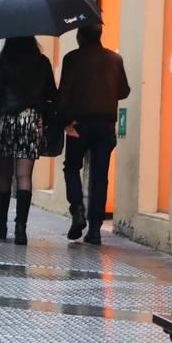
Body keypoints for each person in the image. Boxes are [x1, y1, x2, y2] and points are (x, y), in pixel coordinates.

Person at [56, 24, 130, 244]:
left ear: (80, 36)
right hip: (105, 125)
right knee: (99, 175)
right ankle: (95, 228)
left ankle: (77, 208)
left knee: (71, 167)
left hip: (79, 124)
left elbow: (63, 94)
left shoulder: (72, 59)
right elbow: (124, 91)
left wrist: (65, 121)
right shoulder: (114, 59)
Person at [0, 37, 58, 245]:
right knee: (24, 176)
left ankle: (1, 223)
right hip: (30, 120)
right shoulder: (42, 62)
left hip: (6, 120)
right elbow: (52, 94)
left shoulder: (3, 62)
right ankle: (21, 228)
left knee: (4, 175)